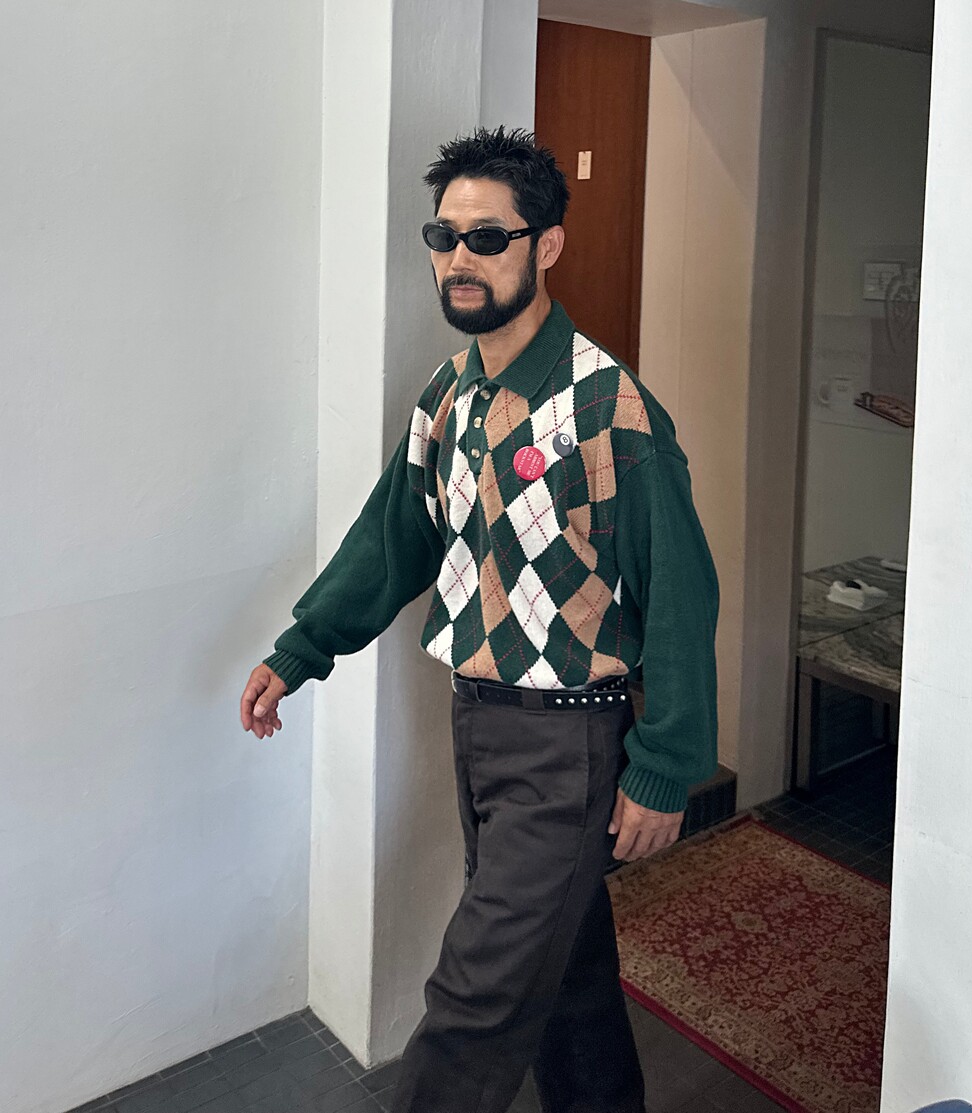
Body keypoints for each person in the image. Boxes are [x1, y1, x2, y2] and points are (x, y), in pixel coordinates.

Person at [240, 125, 719, 1113]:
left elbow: (681, 593)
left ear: (546, 245)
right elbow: (394, 540)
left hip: (569, 742)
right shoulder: (450, 397)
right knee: (565, 970)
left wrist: (665, 763)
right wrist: (302, 649)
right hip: (478, 725)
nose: (460, 258)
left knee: (477, 997)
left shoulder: (609, 409)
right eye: (445, 236)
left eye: (489, 238)